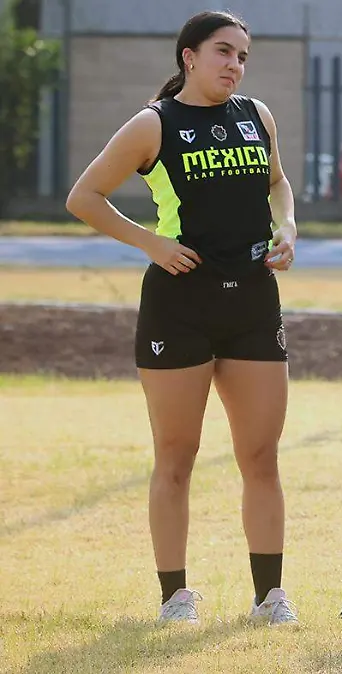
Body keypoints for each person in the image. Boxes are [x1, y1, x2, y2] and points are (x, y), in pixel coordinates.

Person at [64, 11, 299, 625]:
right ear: (188, 58)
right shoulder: (154, 124)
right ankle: (175, 597)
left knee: (261, 455)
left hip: (252, 303)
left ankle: (270, 596)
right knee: (176, 454)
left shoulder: (257, 116)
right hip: (180, 307)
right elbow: (84, 197)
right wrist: (152, 243)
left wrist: (289, 227)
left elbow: (279, 184)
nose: (234, 65)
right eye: (223, 52)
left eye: (243, 56)